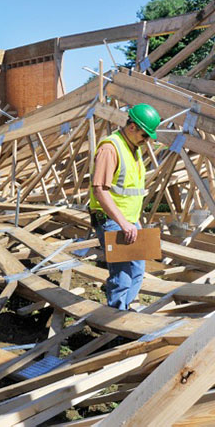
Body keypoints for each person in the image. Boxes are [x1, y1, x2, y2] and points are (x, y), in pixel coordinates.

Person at [89, 103, 161, 311]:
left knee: (137, 271)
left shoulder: (133, 149)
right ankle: (114, 320)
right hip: (111, 220)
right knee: (122, 276)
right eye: (144, 135)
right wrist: (123, 222)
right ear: (132, 127)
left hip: (129, 221)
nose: (146, 140)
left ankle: (123, 311)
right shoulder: (110, 148)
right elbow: (100, 191)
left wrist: (134, 221)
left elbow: (130, 193)